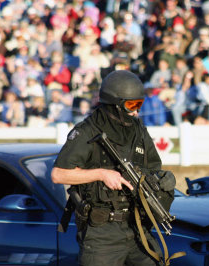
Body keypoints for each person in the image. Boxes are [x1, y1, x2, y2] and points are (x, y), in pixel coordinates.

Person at [51, 70, 176, 265]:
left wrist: (162, 179)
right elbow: (58, 174)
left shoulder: (138, 129)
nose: (136, 111)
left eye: (139, 104)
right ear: (115, 105)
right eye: (131, 105)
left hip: (138, 227)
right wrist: (101, 174)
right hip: (102, 234)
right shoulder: (87, 131)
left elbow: (153, 167)